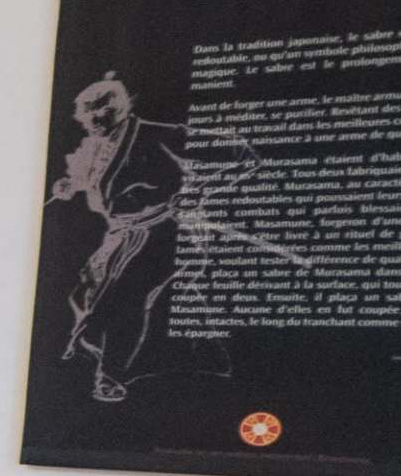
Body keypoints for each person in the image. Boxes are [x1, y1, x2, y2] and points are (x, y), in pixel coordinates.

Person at [51, 77, 251, 401]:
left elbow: (242, 154)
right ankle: (203, 356)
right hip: (122, 235)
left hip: (166, 232)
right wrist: (68, 185)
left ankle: (110, 375)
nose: (93, 122)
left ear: (117, 109)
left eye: (99, 113)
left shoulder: (159, 134)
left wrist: (200, 192)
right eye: (87, 116)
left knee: (126, 296)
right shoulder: (95, 144)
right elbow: (90, 179)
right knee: (87, 293)